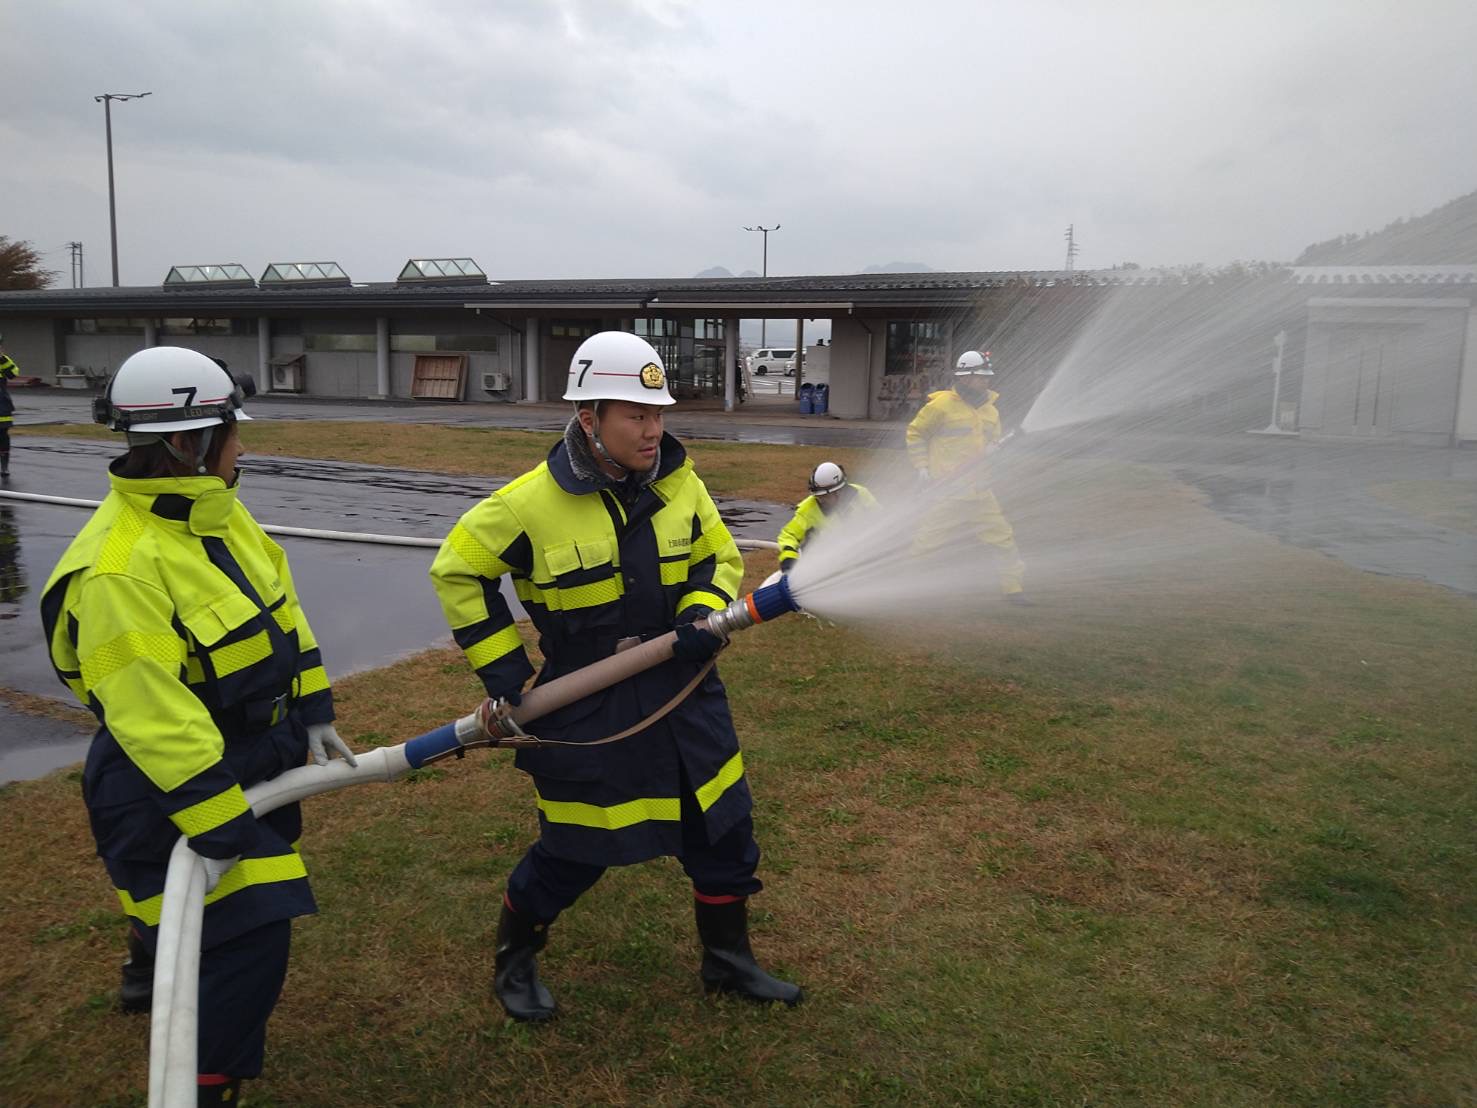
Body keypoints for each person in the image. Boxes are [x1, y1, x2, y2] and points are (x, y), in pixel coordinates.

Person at [430, 330, 802, 1022]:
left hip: (684, 690)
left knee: (722, 826)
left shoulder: (679, 482)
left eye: (658, 413)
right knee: (576, 846)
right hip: (587, 699)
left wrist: (697, 614)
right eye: (635, 415)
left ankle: (727, 963)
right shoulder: (525, 504)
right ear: (588, 418)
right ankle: (514, 960)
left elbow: (717, 557)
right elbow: (457, 570)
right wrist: (507, 674)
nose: (652, 430)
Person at [40, 346, 358, 1105]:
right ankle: (210, 1082)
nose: (242, 447)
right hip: (168, 785)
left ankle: (146, 966)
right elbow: (152, 716)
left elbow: (285, 619)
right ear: (186, 443)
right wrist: (216, 824)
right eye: (231, 433)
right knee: (252, 941)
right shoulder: (120, 568)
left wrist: (313, 712)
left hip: (247, 757)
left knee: (205, 922)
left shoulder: (220, 515)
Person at [905, 350, 1028, 603]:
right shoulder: (940, 406)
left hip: (981, 491)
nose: (986, 381)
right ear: (965, 377)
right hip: (948, 491)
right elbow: (916, 433)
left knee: (1003, 538)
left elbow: (994, 444)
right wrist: (922, 468)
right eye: (981, 377)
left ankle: (1013, 589)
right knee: (928, 543)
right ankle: (907, 588)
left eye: (987, 377)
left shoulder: (991, 410)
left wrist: (997, 450)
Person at [776, 461, 878, 574]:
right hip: (822, 567)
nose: (820, 499)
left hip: (861, 559)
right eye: (818, 495)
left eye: (824, 496)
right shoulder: (807, 510)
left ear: (839, 491)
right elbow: (788, 535)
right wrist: (789, 559)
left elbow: (879, 518)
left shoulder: (860, 494)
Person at [0, 336, 19, 478]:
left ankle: (4, 467)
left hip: (2, 404)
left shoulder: (4, 360)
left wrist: (2, 359)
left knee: (3, 435)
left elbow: (12, 373)